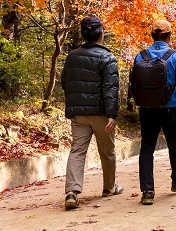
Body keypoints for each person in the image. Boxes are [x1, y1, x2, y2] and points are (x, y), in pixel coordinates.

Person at [61, 16, 123, 210]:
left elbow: (65, 82)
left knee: (77, 151)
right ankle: (108, 187)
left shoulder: (72, 56)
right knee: (107, 152)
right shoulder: (107, 58)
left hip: (78, 114)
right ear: (101, 34)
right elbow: (111, 88)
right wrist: (112, 114)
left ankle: (71, 192)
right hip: (101, 114)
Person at [131, 19, 176, 205]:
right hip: (171, 107)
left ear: (152, 36)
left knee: (147, 148)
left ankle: (148, 191)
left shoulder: (140, 56)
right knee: (175, 146)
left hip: (147, 109)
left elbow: (134, 85)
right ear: (169, 36)